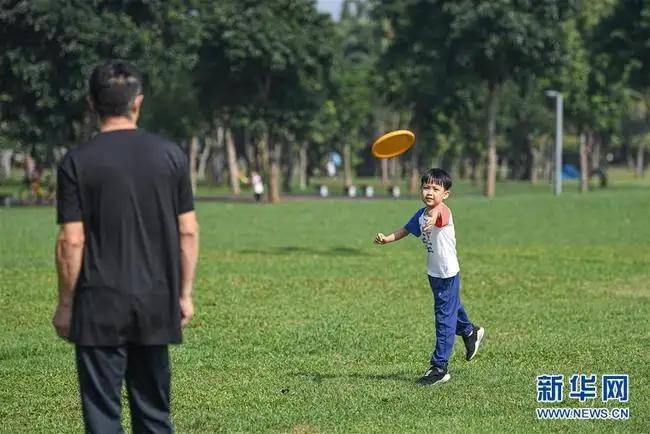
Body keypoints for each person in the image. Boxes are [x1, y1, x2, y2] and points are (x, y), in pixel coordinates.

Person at [52, 59, 200, 432]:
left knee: (102, 418)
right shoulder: (171, 155)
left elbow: (72, 240)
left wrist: (66, 306)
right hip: (155, 300)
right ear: (138, 102)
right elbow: (188, 232)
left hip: (98, 304)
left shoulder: (76, 161)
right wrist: (184, 295)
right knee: (153, 415)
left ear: (91, 103)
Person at [374, 168, 484, 386]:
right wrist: (387, 239)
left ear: (446, 194)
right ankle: (470, 331)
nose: (430, 192)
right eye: (426, 187)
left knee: (444, 318)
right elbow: (406, 230)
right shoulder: (421, 213)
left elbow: (439, 212)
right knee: (450, 308)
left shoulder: (443, 211)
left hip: (447, 273)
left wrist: (434, 217)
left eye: (436, 188)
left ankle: (439, 367)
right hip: (434, 273)